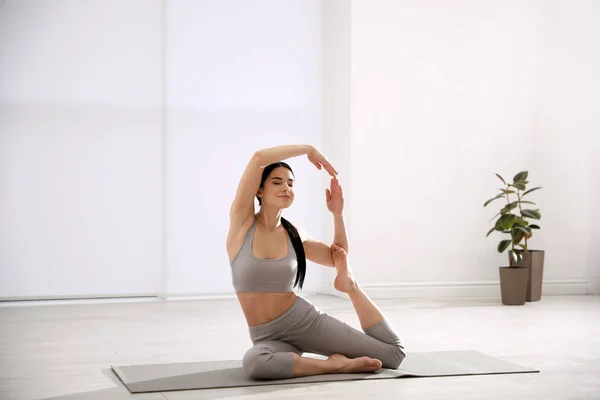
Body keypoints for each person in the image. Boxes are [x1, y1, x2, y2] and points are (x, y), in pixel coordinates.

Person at [226, 144, 405, 380]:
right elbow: (258, 157)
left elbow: (337, 256)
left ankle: (351, 287)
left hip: (304, 322)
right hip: (265, 336)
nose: (286, 188)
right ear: (259, 190)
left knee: (393, 355)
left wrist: (337, 214)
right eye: (277, 182)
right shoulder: (242, 224)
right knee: (255, 364)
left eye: (291, 183)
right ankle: (336, 365)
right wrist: (308, 149)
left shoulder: (294, 234)